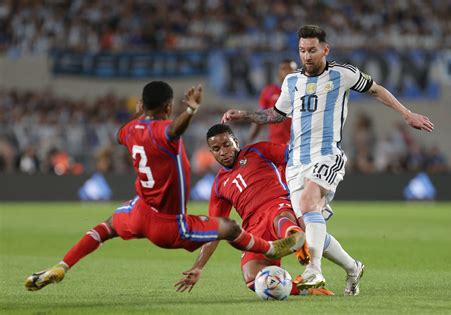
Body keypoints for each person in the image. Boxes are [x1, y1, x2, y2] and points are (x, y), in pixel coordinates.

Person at [24, 81, 305, 291]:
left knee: (106, 227)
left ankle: (62, 266)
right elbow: (173, 130)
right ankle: (271, 249)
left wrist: (136, 119)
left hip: (139, 211)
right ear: (169, 108)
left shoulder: (129, 130)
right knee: (229, 228)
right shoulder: (165, 131)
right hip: (170, 224)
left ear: (139, 107)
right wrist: (191, 110)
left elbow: (120, 135)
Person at [221, 25, 434, 295]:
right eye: (302, 51)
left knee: (310, 203)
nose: (307, 56)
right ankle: (353, 267)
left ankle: (314, 271)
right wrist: (245, 114)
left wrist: (407, 114)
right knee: (309, 225)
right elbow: (276, 115)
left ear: (325, 49)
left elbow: (376, 89)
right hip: (296, 162)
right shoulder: (292, 82)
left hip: (327, 155)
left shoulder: (343, 74)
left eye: (312, 50)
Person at [175, 124, 361, 297]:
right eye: (217, 149)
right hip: (255, 228)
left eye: (227, 145)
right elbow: (215, 230)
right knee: (253, 277)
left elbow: (298, 159)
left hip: (278, 205)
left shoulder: (258, 151)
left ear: (236, 142)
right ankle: (307, 288)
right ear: (211, 153)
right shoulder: (218, 185)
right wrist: (198, 266)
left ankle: (296, 238)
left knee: (282, 220)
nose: (223, 152)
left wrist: (313, 190)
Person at [247, 59, 297, 145]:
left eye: (291, 69)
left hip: (296, 144)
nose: (287, 72)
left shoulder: (303, 92)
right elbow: (260, 117)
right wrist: (249, 141)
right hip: (275, 143)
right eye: (284, 68)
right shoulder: (269, 91)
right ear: (278, 73)